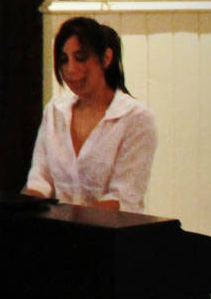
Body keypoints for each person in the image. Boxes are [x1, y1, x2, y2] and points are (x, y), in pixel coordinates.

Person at [23, 16, 157, 212]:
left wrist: (68, 219)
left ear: (106, 58)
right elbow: (40, 180)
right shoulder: (55, 111)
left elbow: (123, 197)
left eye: (81, 58)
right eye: (64, 60)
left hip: (111, 230)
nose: (70, 69)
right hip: (58, 226)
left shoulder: (136, 118)